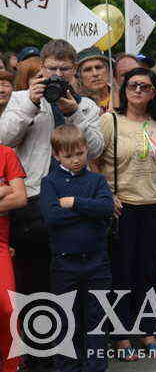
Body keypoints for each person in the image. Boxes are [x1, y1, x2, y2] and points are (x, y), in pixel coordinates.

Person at [0, 39, 104, 335]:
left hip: (74, 199)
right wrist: (32, 104)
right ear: (41, 68)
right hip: (33, 199)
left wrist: (74, 114)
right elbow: (4, 139)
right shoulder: (21, 99)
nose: (58, 75)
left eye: (65, 69)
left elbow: (95, 149)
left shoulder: (86, 106)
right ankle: (39, 353)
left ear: (74, 72)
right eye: (52, 69)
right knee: (34, 280)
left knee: (72, 279)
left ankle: (74, 346)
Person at [97, 67, 156, 358]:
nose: (138, 91)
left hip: (155, 206)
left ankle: (146, 330)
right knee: (121, 273)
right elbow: (93, 161)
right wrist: (107, 194)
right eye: (133, 85)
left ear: (154, 92)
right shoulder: (110, 121)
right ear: (124, 89)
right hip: (122, 207)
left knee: (147, 272)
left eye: (145, 87)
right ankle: (120, 334)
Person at [39, 124, 112, 372]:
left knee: (97, 317)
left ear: (86, 150)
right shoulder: (49, 182)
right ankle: (67, 367)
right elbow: (51, 217)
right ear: (56, 155)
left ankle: (95, 366)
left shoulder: (96, 180)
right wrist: (88, 211)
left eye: (80, 153)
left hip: (96, 261)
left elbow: (106, 208)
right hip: (64, 262)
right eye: (69, 156)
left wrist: (73, 203)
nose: (76, 160)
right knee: (65, 317)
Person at [0, 143, 26, 372]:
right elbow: (11, 192)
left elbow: (20, 198)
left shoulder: (6, 153)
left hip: (0, 245)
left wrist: (9, 190)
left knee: (9, 308)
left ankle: (13, 366)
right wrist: (3, 189)